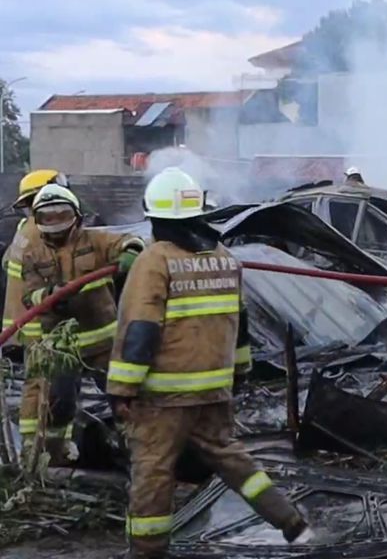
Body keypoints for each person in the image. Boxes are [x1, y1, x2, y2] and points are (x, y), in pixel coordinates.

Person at [106, 167, 311, 557]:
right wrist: (239, 375)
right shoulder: (224, 259)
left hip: (164, 397)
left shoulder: (154, 261)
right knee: (233, 460)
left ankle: (147, 552)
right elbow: (241, 325)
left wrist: (122, 389)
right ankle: (291, 522)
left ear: (156, 218)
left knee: (152, 474)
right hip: (214, 391)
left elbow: (141, 330)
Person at [17, 184, 144, 465]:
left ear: (76, 215)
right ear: (37, 220)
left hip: (103, 341)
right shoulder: (33, 254)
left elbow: (130, 241)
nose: (55, 224)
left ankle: (136, 448)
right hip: (61, 345)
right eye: (47, 218)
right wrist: (50, 297)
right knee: (58, 404)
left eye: (61, 215)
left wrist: (131, 253)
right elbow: (29, 296)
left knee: (122, 396)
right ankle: (53, 455)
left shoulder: (95, 241)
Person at [3, 169, 68, 344]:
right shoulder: (44, 232)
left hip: (17, 329)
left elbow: (6, 263)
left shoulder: (25, 227)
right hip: (38, 333)